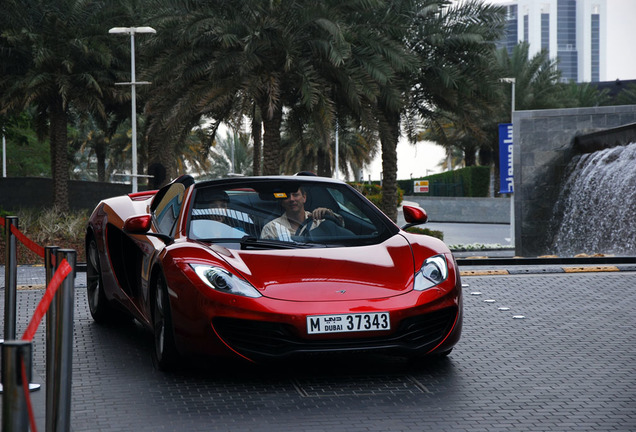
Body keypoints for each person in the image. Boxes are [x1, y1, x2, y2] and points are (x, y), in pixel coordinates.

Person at [260, 187, 342, 240]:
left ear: (304, 198)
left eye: (295, 195)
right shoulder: (271, 228)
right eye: (287, 196)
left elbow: (341, 227)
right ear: (282, 202)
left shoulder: (318, 220)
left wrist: (329, 214)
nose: (292, 199)